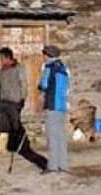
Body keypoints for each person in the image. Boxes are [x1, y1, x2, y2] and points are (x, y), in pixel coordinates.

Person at [38, 44, 71, 173]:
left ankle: (52, 166)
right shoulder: (63, 68)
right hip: (62, 105)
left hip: (52, 104)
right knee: (61, 136)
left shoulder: (49, 67)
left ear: (48, 55)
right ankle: (63, 164)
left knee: (52, 136)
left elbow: (44, 84)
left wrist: (40, 86)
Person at [0, 47, 29, 154]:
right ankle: (3, 147)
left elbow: (23, 84)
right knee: (3, 125)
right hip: (3, 101)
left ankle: (21, 145)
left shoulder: (19, 68)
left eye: (2, 58)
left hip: (14, 101)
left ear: (7, 57)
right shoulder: (2, 70)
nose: (0, 60)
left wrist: (22, 98)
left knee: (15, 125)